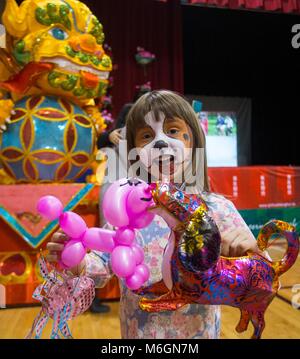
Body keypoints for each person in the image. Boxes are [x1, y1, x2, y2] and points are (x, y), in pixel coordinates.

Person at [47, 90, 261, 339]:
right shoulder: (126, 213)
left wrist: (251, 252)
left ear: (194, 140)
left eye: (172, 131)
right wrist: (76, 261)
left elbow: (254, 276)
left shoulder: (217, 209)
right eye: (147, 136)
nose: (160, 143)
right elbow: (101, 268)